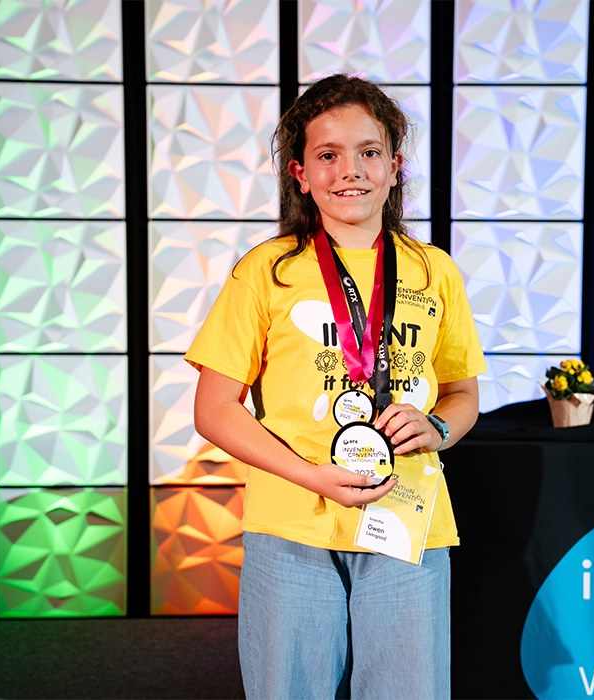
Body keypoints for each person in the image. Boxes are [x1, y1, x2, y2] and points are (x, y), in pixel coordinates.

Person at [185, 73, 486, 700]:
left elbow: (463, 397)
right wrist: (311, 476)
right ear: (299, 172)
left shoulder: (435, 270)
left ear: (395, 166)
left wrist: (436, 427)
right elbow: (214, 410)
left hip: (408, 518)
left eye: (368, 152)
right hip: (293, 521)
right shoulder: (267, 270)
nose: (350, 171)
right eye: (328, 155)